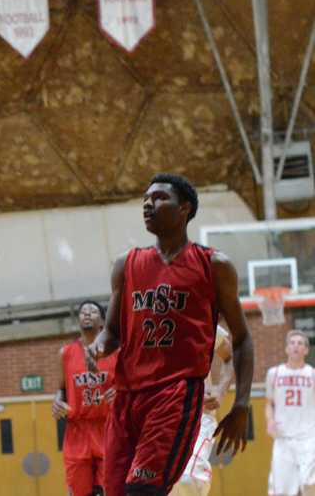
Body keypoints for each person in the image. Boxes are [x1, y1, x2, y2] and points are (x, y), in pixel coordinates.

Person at [88, 173, 254, 496]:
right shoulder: (127, 264)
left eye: (159, 198)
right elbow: (111, 333)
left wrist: (242, 404)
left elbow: (243, 339)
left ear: (184, 209)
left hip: (176, 393)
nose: (149, 205)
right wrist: (97, 347)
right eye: (145, 200)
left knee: (143, 490)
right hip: (127, 397)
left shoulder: (214, 265)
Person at [52, 300, 116, 496]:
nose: (87, 314)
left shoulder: (116, 352)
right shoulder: (66, 353)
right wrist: (57, 401)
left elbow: (128, 385)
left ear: (102, 322)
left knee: (109, 490)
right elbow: (62, 389)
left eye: (93, 311)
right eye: (83, 312)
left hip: (107, 427)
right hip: (77, 430)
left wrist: (120, 393)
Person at [171, 326, 234, 496]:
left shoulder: (204, 320)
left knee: (188, 478)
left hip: (198, 416)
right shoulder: (148, 321)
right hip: (159, 417)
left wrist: (220, 391)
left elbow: (230, 357)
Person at [265, 330, 315, 496]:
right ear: (286, 348)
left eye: (300, 343)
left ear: (306, 350)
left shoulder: (312, 374)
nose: (296, 346)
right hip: (283, 438)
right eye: (292, 343)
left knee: (309, 484)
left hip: (308, 437)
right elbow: (268, 404)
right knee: (282, 491)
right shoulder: (274, 373)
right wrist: (270, 420)